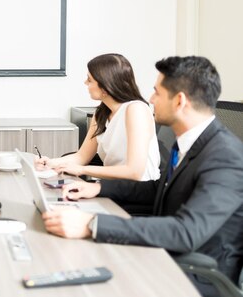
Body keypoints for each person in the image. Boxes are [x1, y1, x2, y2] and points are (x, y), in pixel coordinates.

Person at [42, 56, 243, 297]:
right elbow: (157, 189)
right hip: (165, 253)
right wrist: (98, 188)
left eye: (157, 93)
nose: (150, 99)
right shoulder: (194, 143)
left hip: (194, 276)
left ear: (179, 101)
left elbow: (187, 232)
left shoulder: (225, 157)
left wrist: (92, 224)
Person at [37, 53, 160, 181]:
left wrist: (83, 170)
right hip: (115, 185)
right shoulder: (101, 113)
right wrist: (50, 163)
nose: (85, 83)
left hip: (139, 189)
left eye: (89, 80)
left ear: (106, 85)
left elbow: (134, 172)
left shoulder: (136, 109)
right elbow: (81, 157)